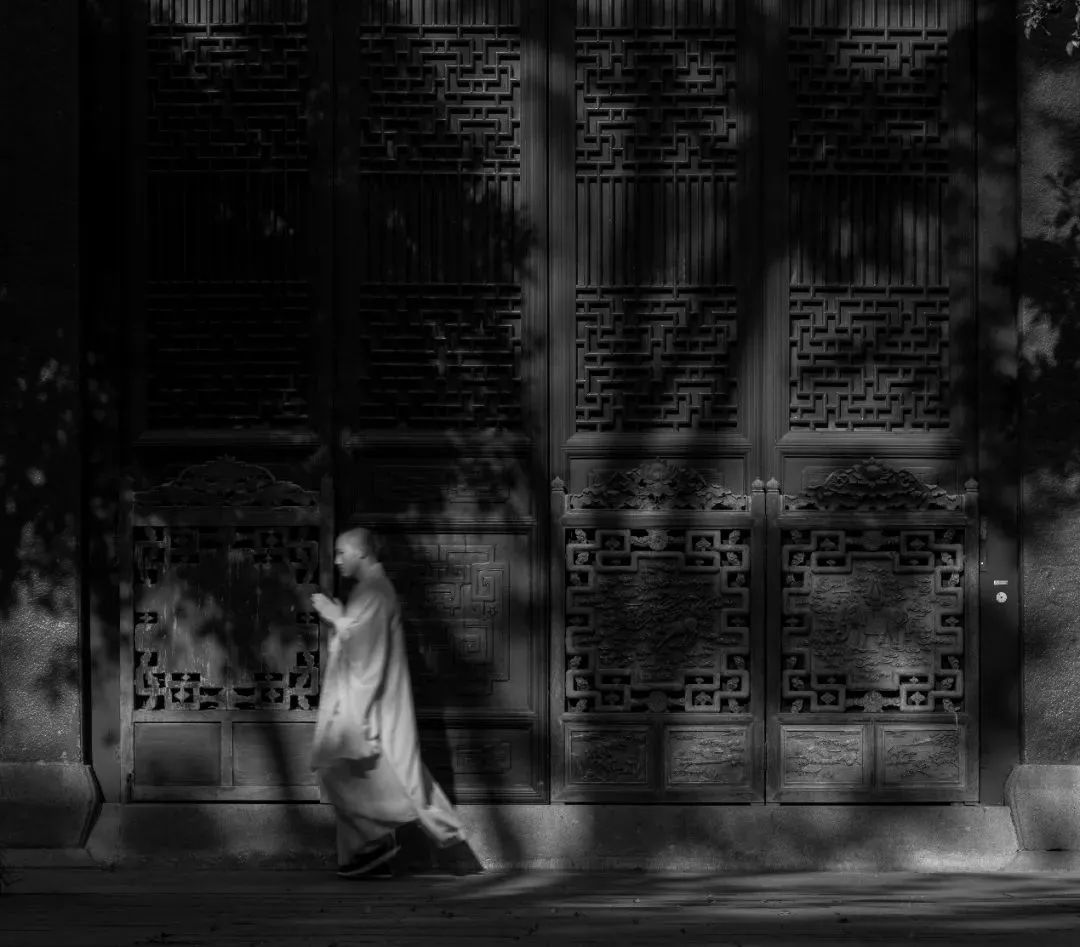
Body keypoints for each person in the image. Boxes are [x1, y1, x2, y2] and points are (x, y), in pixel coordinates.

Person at [310, 527, 465, 877]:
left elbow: (366, 653)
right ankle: (366, 855)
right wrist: (342, 620)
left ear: (362, 553)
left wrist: (336, 619)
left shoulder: (376, 592)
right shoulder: (369, 591)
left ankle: (375, 845)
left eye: (342, 553)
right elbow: (361, 638)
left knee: (344, 771)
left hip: (371, 703)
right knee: (353, 772)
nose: (337, 561)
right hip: (367, 699)